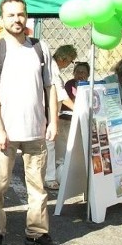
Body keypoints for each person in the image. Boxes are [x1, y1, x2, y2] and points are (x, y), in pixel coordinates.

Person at [0, 0, 61, 245]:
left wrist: (52, 121)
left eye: (20, 14)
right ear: (1, 19)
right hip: (6, 133)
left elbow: (51, 87)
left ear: (26, 16)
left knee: (38, 187)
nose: (17, 19)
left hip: (36, 130)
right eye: (11, 15)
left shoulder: (41, 48)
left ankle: (37, 233)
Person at [45, 45, 77, 190]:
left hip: (49, 112)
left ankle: (48, 175)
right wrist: (78, 109)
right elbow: (62, 95)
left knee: (49, 145)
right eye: (70, 61)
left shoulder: (50, 66)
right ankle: (50, 178)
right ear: (63, 59)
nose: (69, 65)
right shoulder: (53, 69)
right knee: (49, 145)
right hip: (47, 113)